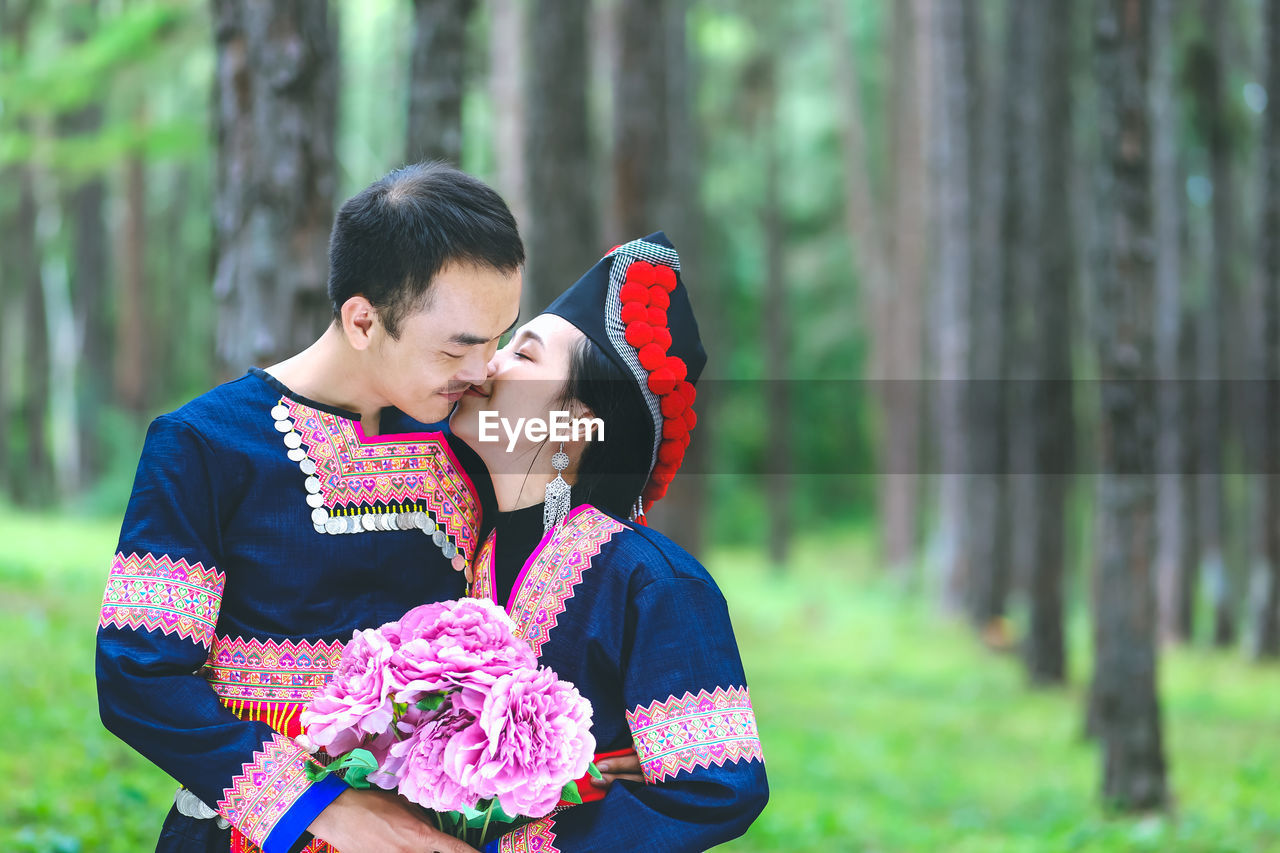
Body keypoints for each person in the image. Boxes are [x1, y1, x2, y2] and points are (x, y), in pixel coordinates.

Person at [96, 163, 645, 853]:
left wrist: (581, 747)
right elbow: (137, 675)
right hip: (254, 832)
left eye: (501, 335)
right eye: (459, 345)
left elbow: (575, 558)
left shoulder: (471, 441)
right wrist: (323, 807)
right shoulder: (204, 446)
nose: (484, 370)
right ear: (362, 319)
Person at [450, 232, 768, 852]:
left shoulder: (653, 580)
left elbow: (717, 789)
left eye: (524, 353)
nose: (487, 363)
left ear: (572, 420)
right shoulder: (455, 546)